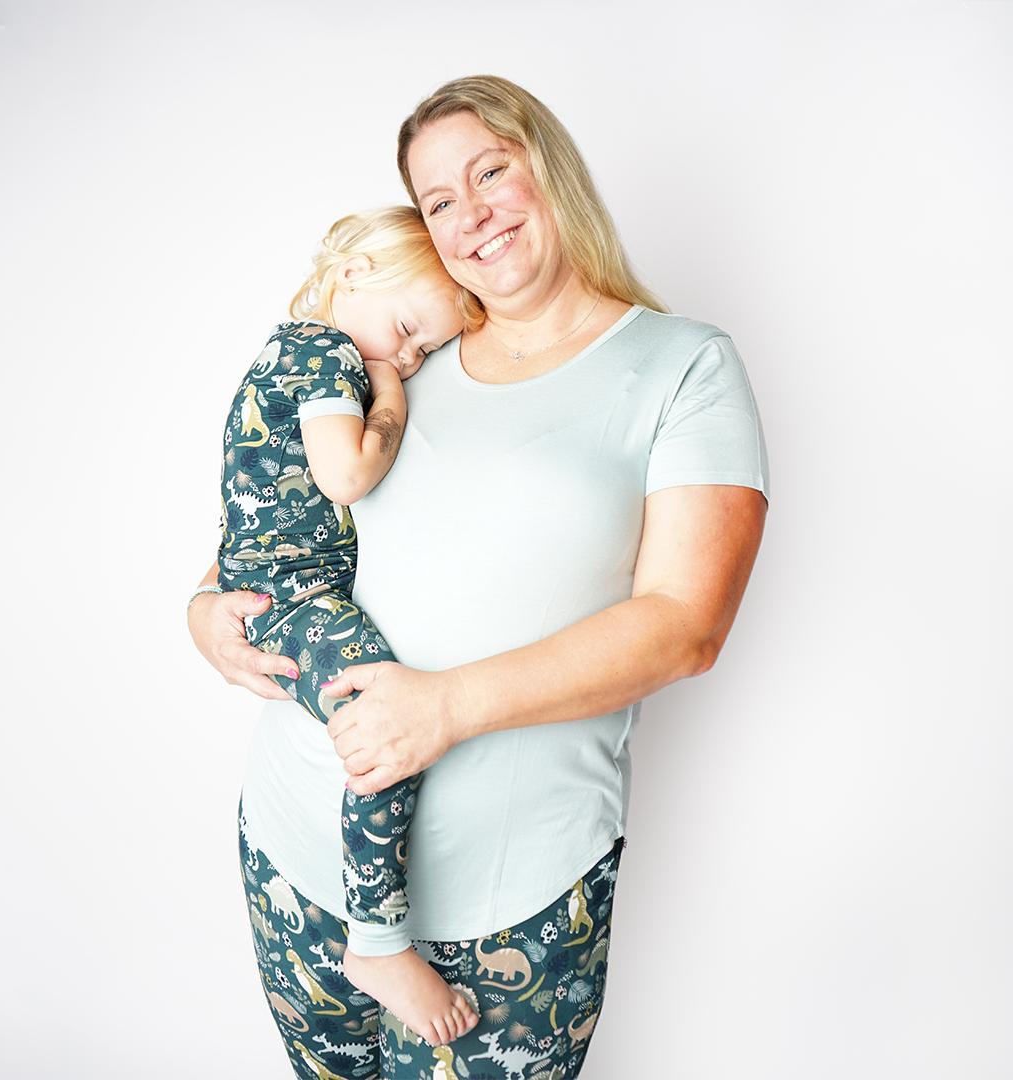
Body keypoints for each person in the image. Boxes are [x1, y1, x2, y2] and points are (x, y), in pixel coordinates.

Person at [189, 75, 769, 1079]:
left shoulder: (682, 366)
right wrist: (205, 606)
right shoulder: (408, 355)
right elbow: (292, 514)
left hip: (516, 893)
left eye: (491, 171)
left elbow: (686, 625)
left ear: (550, 166)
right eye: (439, 200)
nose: (472, 214)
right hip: (298, 852)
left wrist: (445, 707)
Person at [195, 205, 474, 1046]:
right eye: (407, 330)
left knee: (380, 730)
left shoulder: (286, 349)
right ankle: (378, 942)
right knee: (386, 732)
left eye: (422, 352)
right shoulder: (327, 353)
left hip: (274, 588)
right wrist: (389, 399)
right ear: (353, 276)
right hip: (291, 598)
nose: (408, 358)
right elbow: (345, 476)